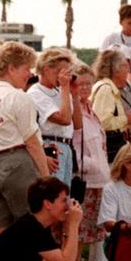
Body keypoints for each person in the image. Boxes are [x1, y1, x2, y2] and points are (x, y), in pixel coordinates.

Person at [0, 42, 55, 240]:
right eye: (26, 68)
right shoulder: (18, 96)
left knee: (0, 228)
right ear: (11, 68)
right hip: (17, 164)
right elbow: (32, 142)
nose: (29, 74)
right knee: (34, 223)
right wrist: (46, 179)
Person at [72, 65, 112, 261]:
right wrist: (93, 165)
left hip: (99, 180)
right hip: (83, 181)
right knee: (76, 234)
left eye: (89, 83)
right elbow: (73, 148)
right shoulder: (72, 110)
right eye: (81, 83)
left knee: (93, 232)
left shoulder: (91, 110)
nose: (85, 87)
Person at [28, 49, 79, 186]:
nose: (64, 76)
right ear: (46, 69)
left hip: (67, 146)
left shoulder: (62, 91)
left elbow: (77, 124)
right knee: (55, 192)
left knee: (65, 194)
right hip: (51, 145)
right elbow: (64, 119)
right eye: (60, 72)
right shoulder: (35, 93)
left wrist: (74, 95)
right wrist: (65, 88)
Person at [90, 49, 131, 163]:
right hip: (110, 152)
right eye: (125, 65)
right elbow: (102, 122)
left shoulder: (107, 87)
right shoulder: (106, 89)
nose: (128, 69)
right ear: (116, 70)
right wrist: (126, 119)